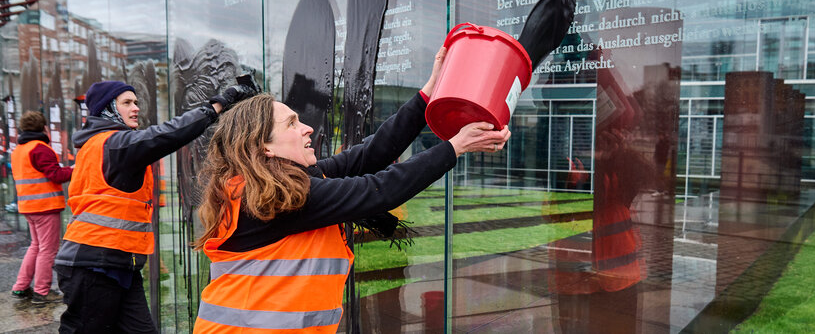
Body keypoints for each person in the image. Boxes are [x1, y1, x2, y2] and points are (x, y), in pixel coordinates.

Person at [192, 47, 511, 333]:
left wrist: (428, 92)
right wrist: (455, 146)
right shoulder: (277, 201)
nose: (307, 128)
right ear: (265, 147)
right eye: (291, 124)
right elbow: (380, 189)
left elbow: (370, 155)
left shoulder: (274, 186)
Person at [54, 79, 258, 333]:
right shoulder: (114, 144)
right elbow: (166, 135)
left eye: (136, 102)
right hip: (96, 264)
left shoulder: (99, 146)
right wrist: (218, 105)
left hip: (118, 262)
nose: (135, 108)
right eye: (126, 103)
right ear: (108, 108)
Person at [9, 111, 73, 304]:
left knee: (36, 246)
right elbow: (56, 175)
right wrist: (77, 169)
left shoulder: (19, 150)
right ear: (44, 128)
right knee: (48, 249)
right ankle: (42, 291)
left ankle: (21, 287)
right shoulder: (40, 148)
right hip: (45, 207)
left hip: (28, 206)